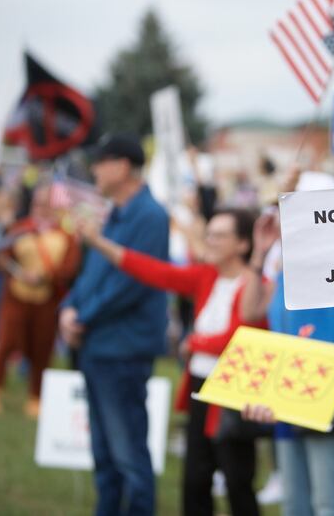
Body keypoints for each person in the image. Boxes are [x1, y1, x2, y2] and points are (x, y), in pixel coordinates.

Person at [80, 207, 266, 516]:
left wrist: (195, 342)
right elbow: (155, 271)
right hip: (199, 387)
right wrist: (100, 244)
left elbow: (243, 335)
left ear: (242, 245)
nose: (211, 241)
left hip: (235, 393)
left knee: (237, 481)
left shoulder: (255, 283)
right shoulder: (206, 275)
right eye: (210, 233)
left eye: (220, 235)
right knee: (194, 478)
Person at [59, 133, 169, 516]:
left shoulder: (149, 216)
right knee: (105, 455)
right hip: (99, 347)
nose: (94, 170)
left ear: (122, 166)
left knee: (128, 455)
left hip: (122, 350)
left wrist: (81, 317)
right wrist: (68, 309)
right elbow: (93, 273)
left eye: (101, 161)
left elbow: (132, 282)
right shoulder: (114, 213)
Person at [241, 174, 334, 516]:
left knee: (330, 503)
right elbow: (250, 312)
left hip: (332, 401)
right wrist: (260, 252)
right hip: (288, 397)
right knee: (295, 505)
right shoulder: (284, 265)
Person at [0, 185, 81, 416]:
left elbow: (69, 267)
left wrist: (45, 276)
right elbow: (2, 257)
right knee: (5, 343)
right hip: (16, 295)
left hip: (47, 299)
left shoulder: (66, 236)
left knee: (41, 348)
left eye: (46, 204)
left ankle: (36, 397)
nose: (41, 209)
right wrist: (12, 269)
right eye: (38, 203)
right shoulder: (20, 229)